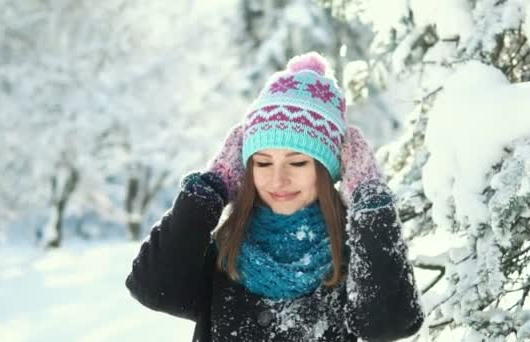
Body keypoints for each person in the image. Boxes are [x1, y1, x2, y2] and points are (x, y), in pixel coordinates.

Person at [125, 52, 424, 342]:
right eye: (263, 163)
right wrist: (213, 186)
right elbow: (153, 288)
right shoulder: (224, 250)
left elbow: (390, 323)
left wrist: (368, 196)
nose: (277, 179)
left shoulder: (351, 252)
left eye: (297, 162)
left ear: (327, 169)